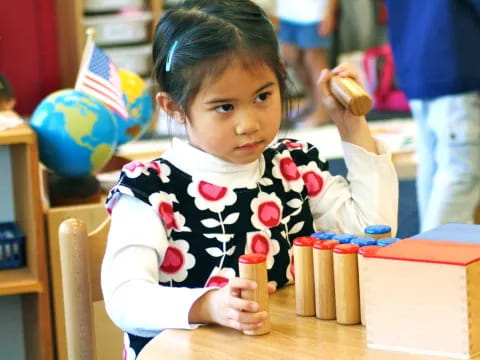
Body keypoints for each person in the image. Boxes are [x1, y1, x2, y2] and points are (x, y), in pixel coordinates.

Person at [101, 0, 398, 358]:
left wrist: (352, 127)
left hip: (284, 348)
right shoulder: (151, 189)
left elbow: (371, 236)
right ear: (174, 108)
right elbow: (124, 298)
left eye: (262, 96)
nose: (249, 123)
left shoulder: (294, 166)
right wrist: (208, 305)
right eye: (224, 107)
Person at [384, 0, 480, 231]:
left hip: (418, 62)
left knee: (435, 161)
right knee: (461, 171)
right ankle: (433, 252)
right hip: (456, 64)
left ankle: (428, 245)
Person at [276, 0, 338, 127]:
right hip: (287, 12)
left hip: (314, 14)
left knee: (314, 59)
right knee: (290, 55)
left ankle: (324, 109)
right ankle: (312, 100)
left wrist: (330, 12)